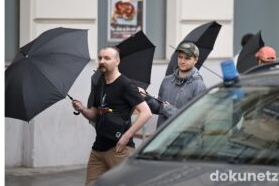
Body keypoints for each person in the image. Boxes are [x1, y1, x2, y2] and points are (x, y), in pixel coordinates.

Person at [71, 47, 153, 186]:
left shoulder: (126, 84)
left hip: (119, 149)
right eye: (100, 58)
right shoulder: (99, 84)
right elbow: (95, 114)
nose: (102, 61)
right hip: (98, 150)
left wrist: (127, 136)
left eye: (107, 58)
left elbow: (146, 113)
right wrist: (82, 109)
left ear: (117, 61)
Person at [139, 42, 206, 128]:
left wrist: (169, 110)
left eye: (187, 58)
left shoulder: (198, 85)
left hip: (181, 138)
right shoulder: (167, 80)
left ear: (195, 60)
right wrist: (146, 97)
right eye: (180, 57)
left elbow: (196, 119)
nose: (182, 61)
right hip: (162, 136)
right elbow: (159, 108)